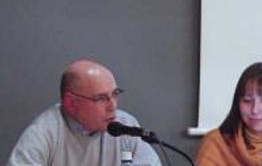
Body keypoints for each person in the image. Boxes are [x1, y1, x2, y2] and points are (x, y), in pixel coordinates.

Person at [7, 59, 161, 165]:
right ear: (71, 103)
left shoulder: (125, 125)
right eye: (101, 98)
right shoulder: (44, 132)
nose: (112, 106)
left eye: (115, 94)